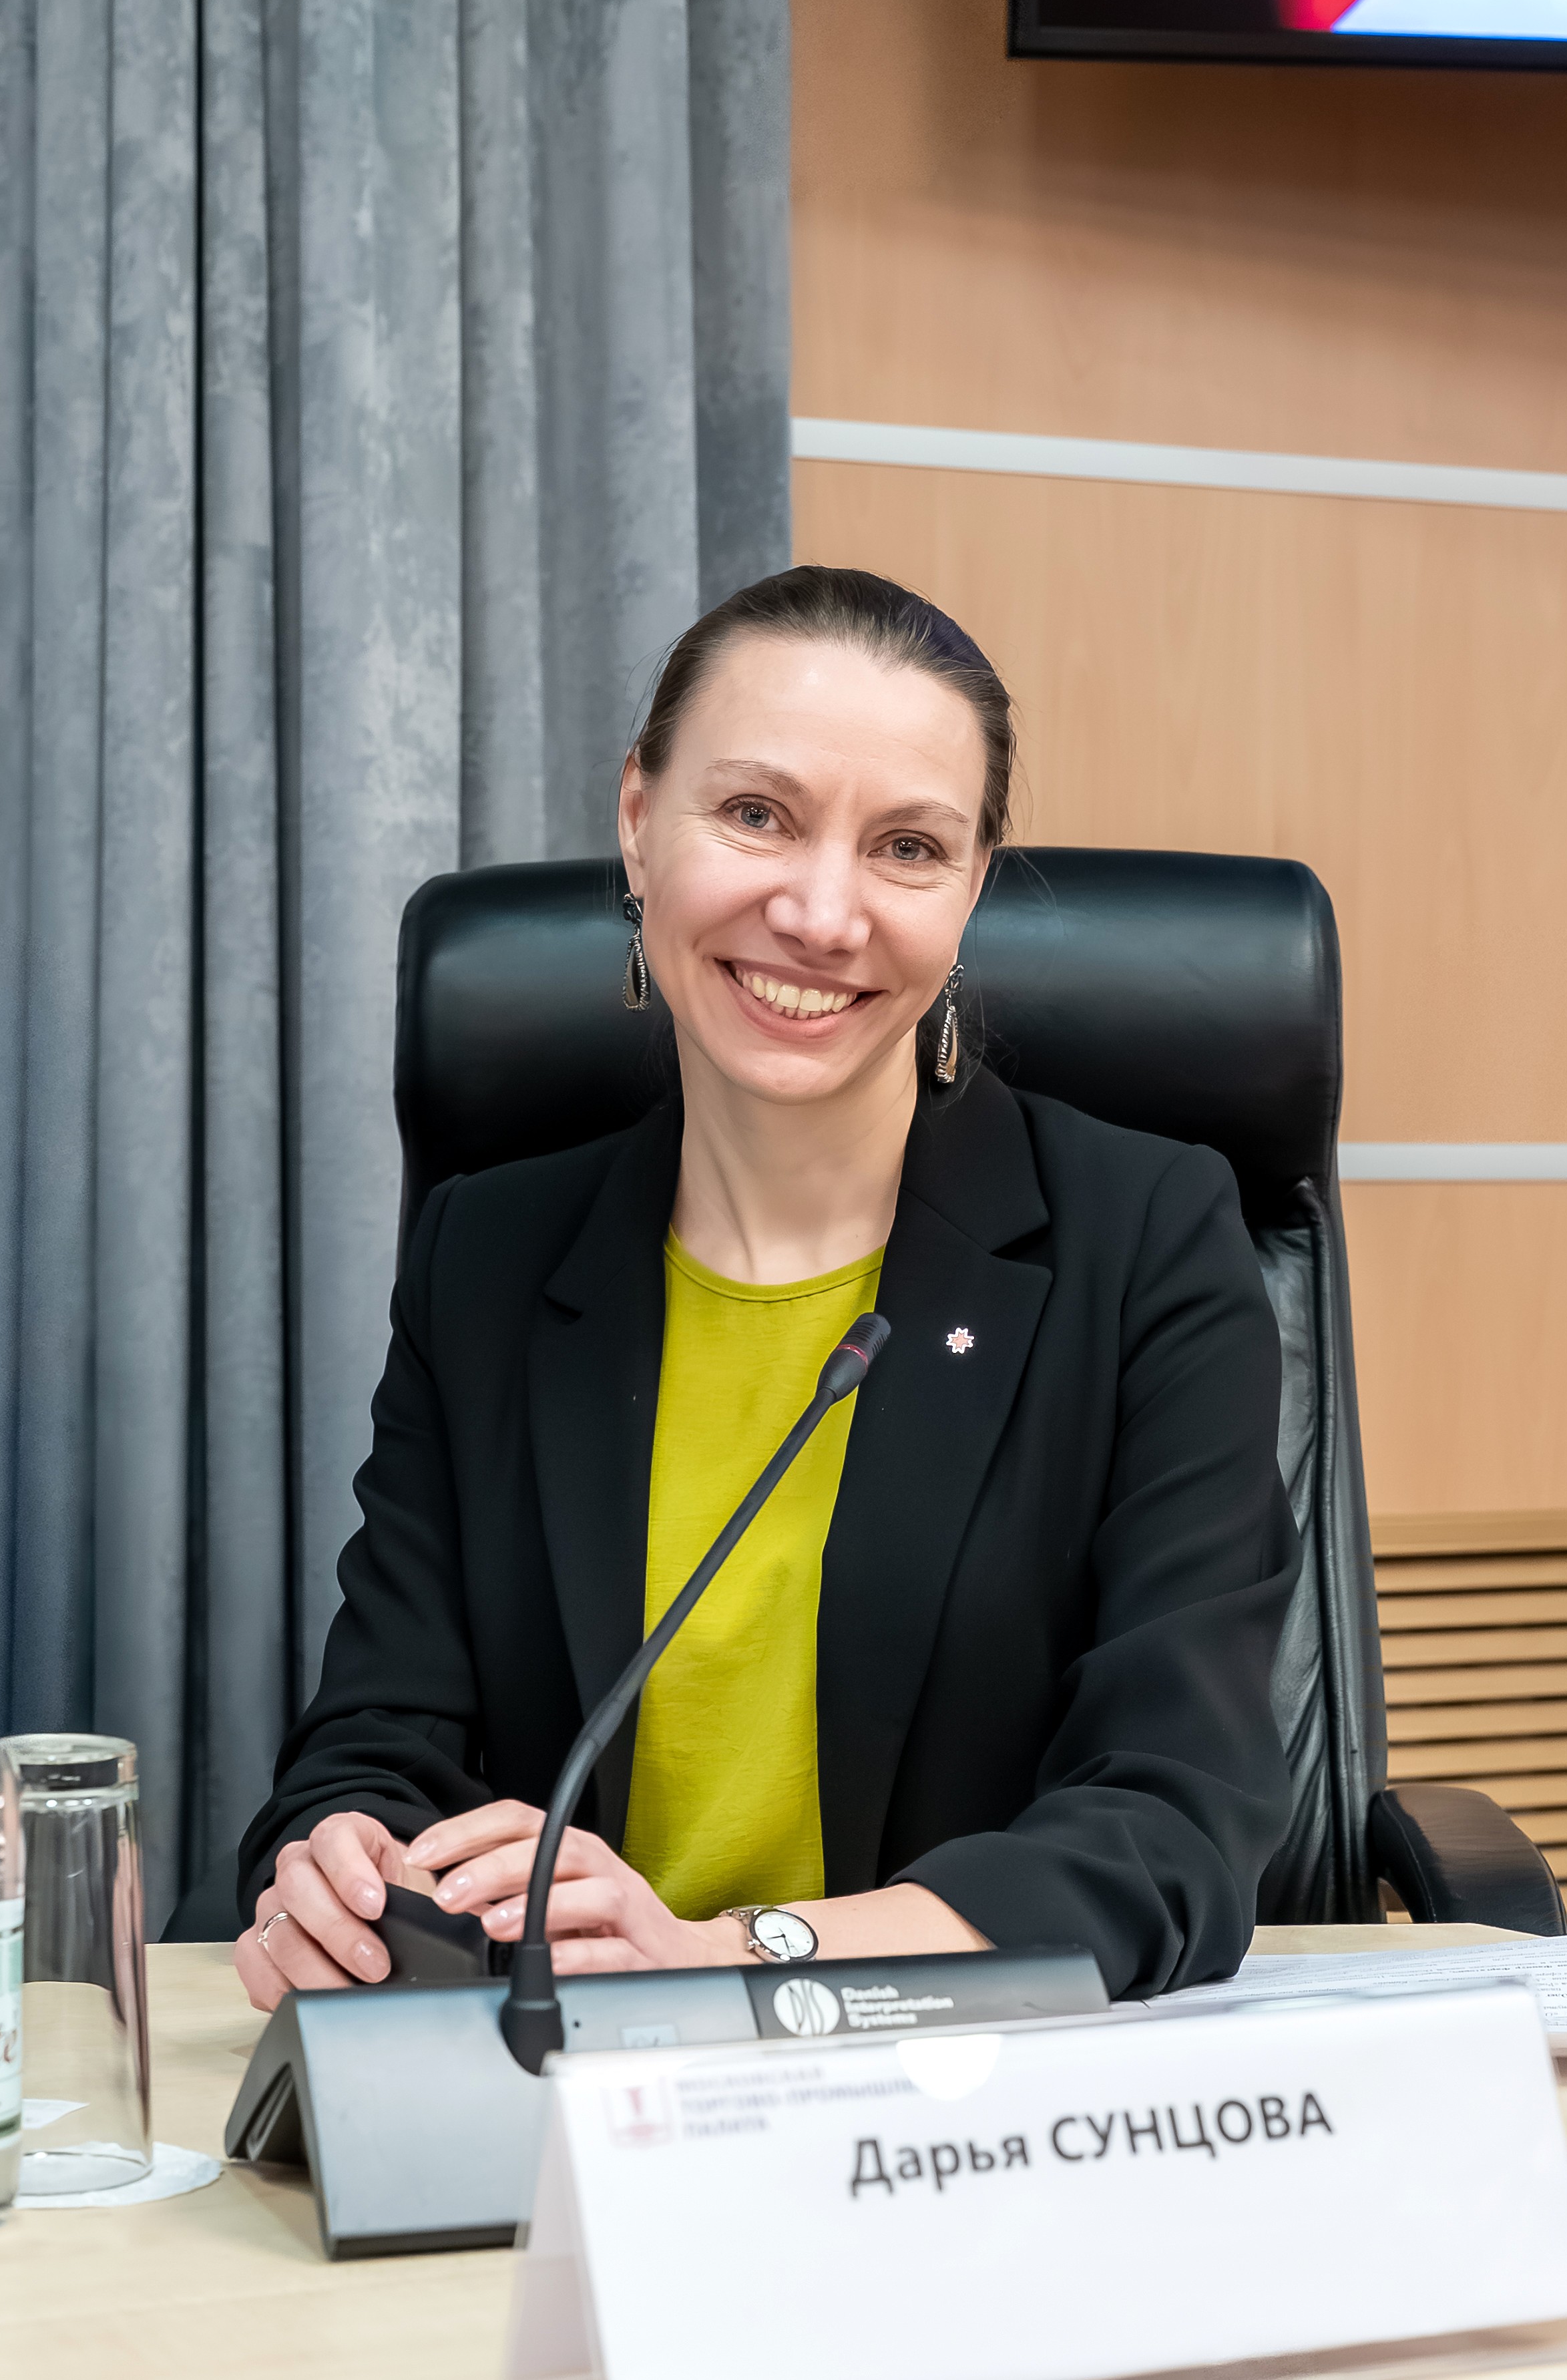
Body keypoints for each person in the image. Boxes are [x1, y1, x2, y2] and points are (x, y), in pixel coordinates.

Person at [234, 565, 1299, 2014]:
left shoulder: (1147, 1241)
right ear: (637, 819)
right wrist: (337, 1871)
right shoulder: (488, 1254)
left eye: (908, 846)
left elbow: (1170, 1826)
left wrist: (726, 1957)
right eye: (756, 814)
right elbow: (377, 1741)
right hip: (565, 2090)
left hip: (974, 2093)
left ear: (972, 888)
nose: (820, 911)